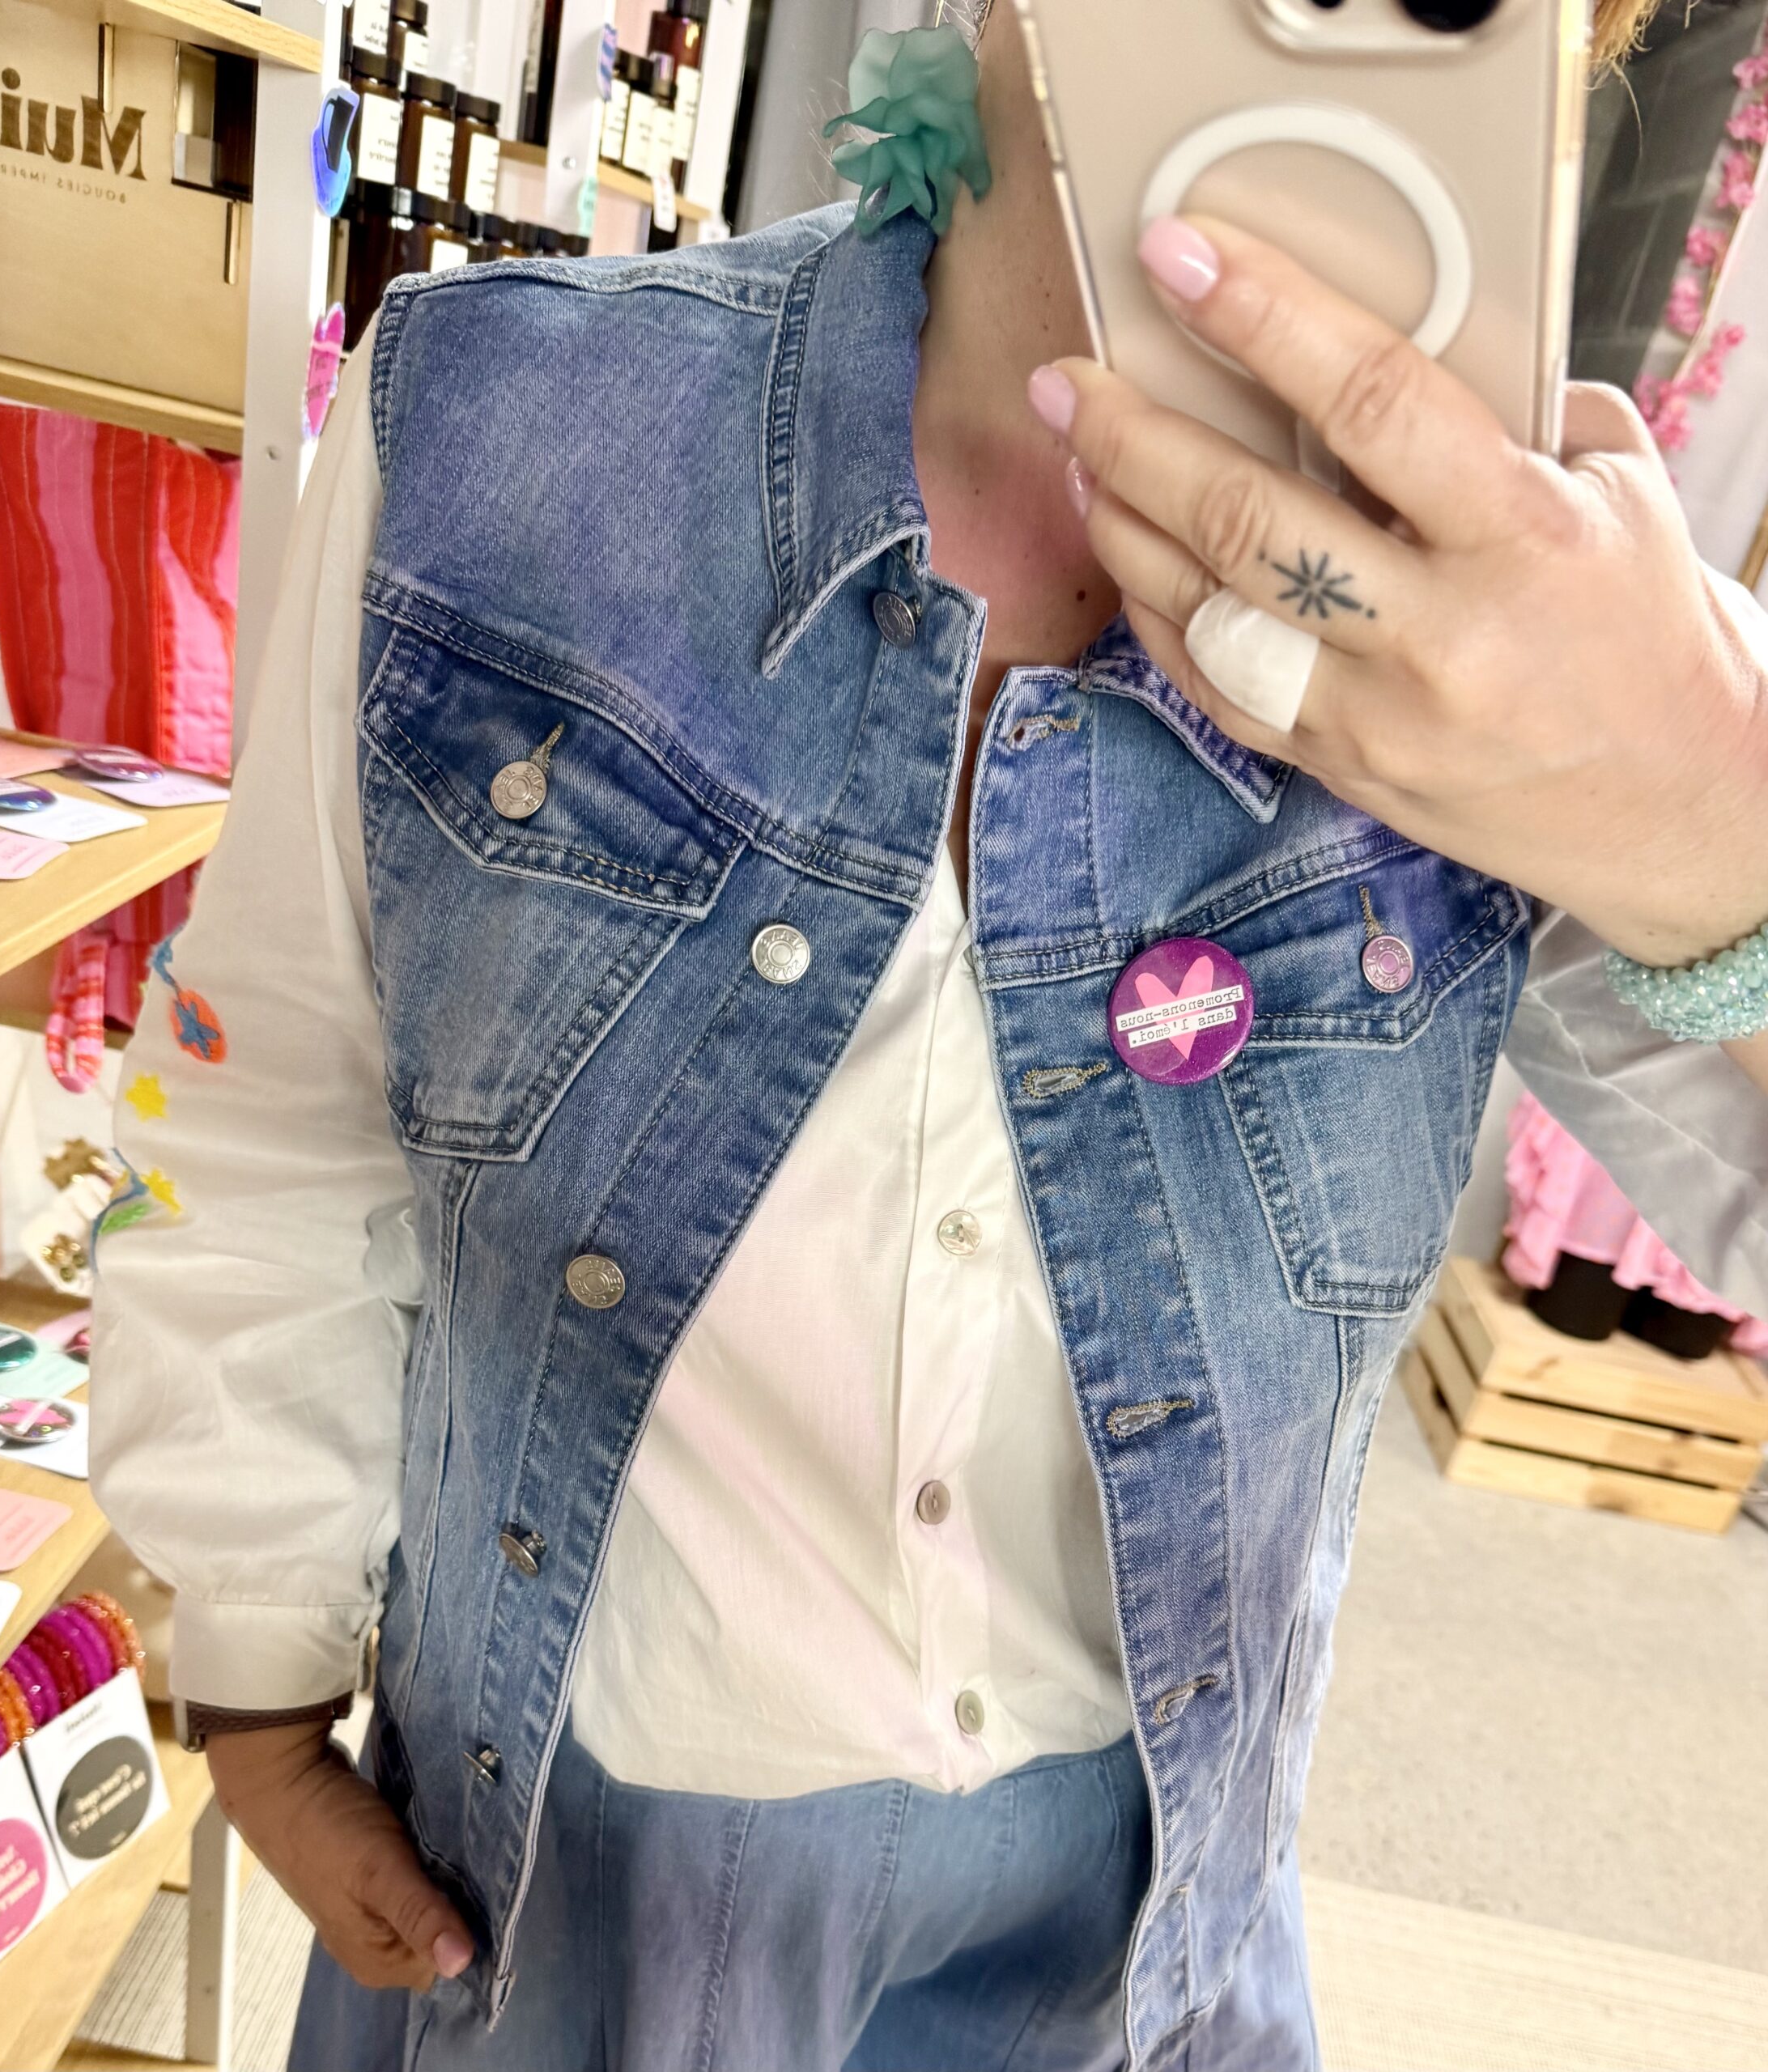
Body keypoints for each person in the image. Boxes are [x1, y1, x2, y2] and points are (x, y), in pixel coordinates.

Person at [90, 2, 1768, 2066]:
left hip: (1131, 1954)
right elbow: (280, 1093)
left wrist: (1722, 819)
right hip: (543, 1871)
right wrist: (259, 1663)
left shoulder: (1566, 656)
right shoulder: (503, 433)